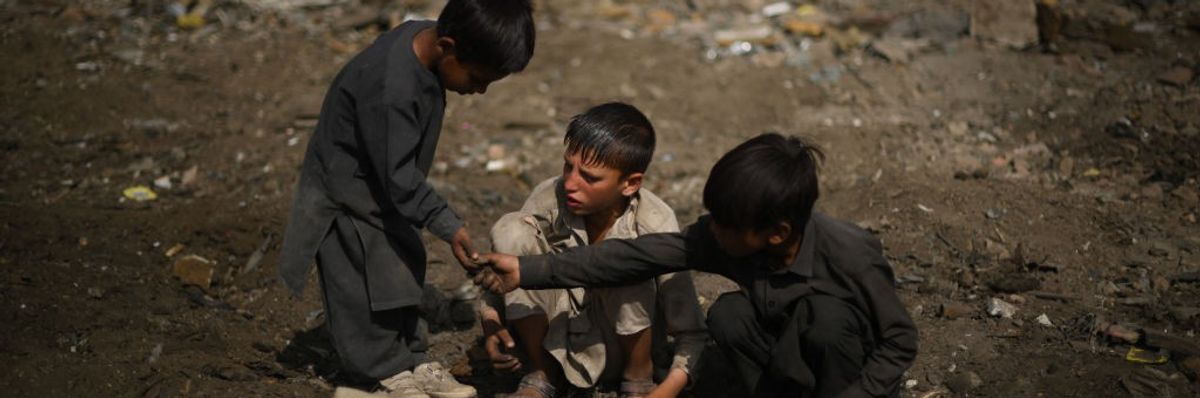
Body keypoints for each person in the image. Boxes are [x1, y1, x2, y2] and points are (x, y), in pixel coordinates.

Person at [473, 133, 919, 397]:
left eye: (724, 226)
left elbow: (899, 341)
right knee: (729, 314)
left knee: (825, 319)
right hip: (788, 352)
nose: (712, 231)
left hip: (851, 375)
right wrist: (527, 271)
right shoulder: (728, 236)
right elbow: (630, 257)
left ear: (777, 233)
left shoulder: (850, 254)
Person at [277, 1, 535, 396]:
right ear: (447, 46)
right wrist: (448, 225)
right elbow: (397, 177)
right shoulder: (390, 87)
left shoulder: (429, 43)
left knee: (400, 266)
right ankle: (378, 372)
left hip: (388, 187)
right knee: (358, 283)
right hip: (347, 193)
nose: (479, 90)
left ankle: (410, 357)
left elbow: (398, 176)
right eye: (478, 77)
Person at [479, 103, 706, 398]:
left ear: (630, 184)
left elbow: (692, 331)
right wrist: (491, 322)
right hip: (557, 343)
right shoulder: (551, 196)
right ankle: (541, 376)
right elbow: (508, 271)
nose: (571, 183)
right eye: (568, 166)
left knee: (624, 258)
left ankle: (637, 379)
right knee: (511, 228)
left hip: (620, 351)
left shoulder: (655, 222)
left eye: (589, 177)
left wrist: (667, 389)